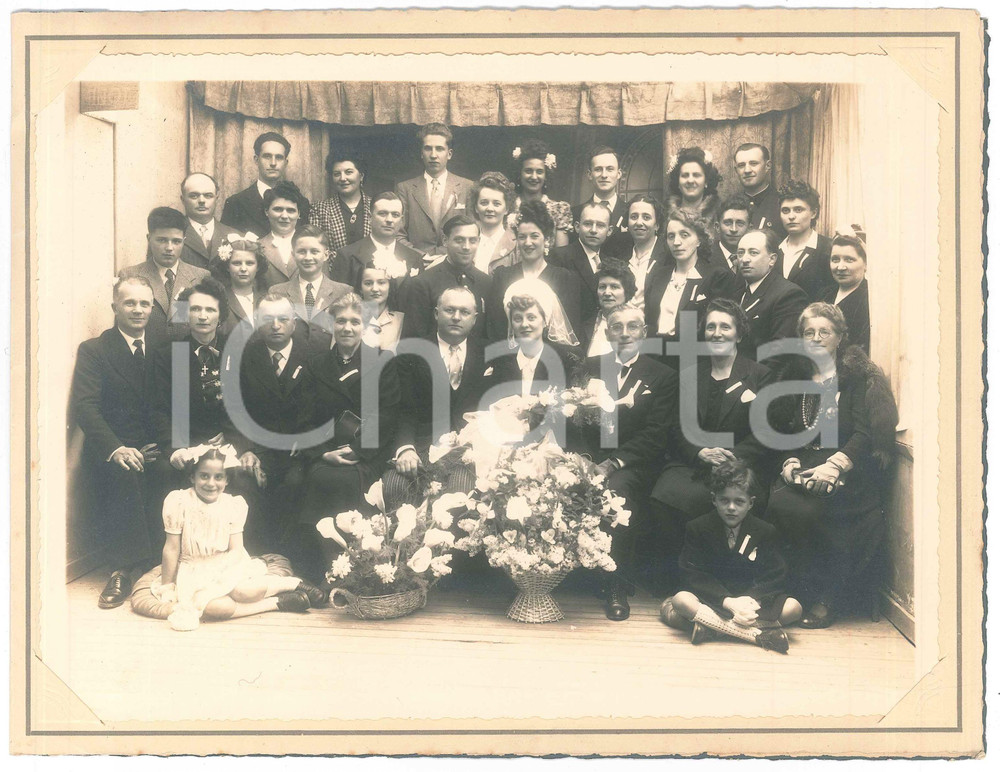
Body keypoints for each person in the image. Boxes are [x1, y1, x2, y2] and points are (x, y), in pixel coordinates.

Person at [763, 303, 898, 629]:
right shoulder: (798, 376)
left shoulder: (857, 377)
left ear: (840, 336)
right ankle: (796, 591)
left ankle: (829, 595)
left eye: (824, 332)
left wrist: (834, 467)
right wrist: (791, 461)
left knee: (815, 512)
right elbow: (791, 431)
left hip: (852, 465)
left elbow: (866, 434)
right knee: (780, 503)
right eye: (809, 333)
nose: (816, 338)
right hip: (808, 461)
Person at [647, 300, 772, 587]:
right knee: (664, 496)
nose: (717, 333)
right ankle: (680, 581)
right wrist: (700, 451)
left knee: (729, 498)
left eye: (725, 327)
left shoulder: (759, 376)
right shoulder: (690, 375)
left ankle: (722, 582)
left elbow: (764, 433)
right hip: (694, 461)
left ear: (739, 334)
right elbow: (677, 426)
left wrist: (732, 457)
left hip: (740, 464)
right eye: (711, 327)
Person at [70, 276, 167, 609]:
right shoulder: (95, 350)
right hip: (113, 449)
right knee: (124, 472)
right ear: (115, 307)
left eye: (144, 303)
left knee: (175, 470)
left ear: (153, 308)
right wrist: (117, 448)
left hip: (154, 447)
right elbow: (85, 407)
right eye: (130, 303)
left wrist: (165, 444)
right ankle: (123, 570)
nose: (138, 310)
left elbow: (173, 404)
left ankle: (162, 564)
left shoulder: (163, 347)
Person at [291, 293, 401, 582]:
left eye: (355, 321)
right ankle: (318, 569)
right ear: (331, 324)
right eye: (341, 321)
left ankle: (353, 570)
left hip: (366, 454)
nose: (347, 328)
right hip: (326, 452)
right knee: (319, 477)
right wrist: (323, 452)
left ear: (365, 325)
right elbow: (303, 418)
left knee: (344, 480)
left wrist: (358, 450)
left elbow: (387, 415)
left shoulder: (383, 362)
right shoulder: (316, 366)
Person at [577, 304, 678, 621]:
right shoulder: (589, 368)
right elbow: (572, 419)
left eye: (632, 327)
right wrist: (584, 459)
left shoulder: (662, 376)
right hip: (590, 457)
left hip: (634, 462)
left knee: (615, 491)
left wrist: (613, 463)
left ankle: (614, 584)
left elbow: (655, 434)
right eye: (617, 327)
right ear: (607, 333)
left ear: (644, 333)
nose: (624, 333)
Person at [155, 447, 324, 632]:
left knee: (245, 592)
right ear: (192, 477)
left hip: (226, 565)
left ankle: (293, 583)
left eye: (218, 477)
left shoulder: (233, 505)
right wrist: (167, 586)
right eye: (204, 476)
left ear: (226, 480)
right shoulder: (179, 502)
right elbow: (171, 549)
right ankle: (278, 603)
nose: (211, 483)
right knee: (216, 607)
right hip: (194, 569)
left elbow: (236, 550)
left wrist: (221, 577)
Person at [659, 461, 801, 653]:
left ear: (751, 503)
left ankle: (712, 629)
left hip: (751, 603)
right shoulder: (698, 528)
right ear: (713, 499)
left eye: (739, 501)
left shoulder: (765, 531)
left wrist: (751, 601)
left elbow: (775, 573)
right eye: (724, 500)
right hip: (714, 600)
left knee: (794, 608)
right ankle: (755, 635)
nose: (731, 507)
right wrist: (729, 602)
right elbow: (693, 573)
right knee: (680, 600)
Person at [227, 292, 316, 552]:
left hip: (297, 450)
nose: (275, 325)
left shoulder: (314, 356)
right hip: (258, 448)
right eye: (267, 319)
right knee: (244, 482)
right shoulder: (244, 357)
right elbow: (233, 408)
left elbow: (323, 408)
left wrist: (307, 438)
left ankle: (286, 555)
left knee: (295, 483)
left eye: (282, 319)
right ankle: (255, 554)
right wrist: (246, 450)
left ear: (294, 323)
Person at [383, 286, 487, 505]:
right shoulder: (410, 353)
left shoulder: (488, 354)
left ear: (475, 319)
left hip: (470, 450)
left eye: (464, 312)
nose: (457, 317)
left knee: (460, 492)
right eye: (449, 310)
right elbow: (403, 408)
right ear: (436, 313)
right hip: (421, 447)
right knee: (395, 487)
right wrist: (405, 448)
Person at [643, 208, 741, 348]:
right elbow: (649, 320)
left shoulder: (716, 277)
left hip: (691, 358)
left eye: (684, 235)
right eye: (671, 236)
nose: (676, 242)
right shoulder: (659, 275)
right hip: (654, 355)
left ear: (699, 240)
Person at [487, 201, 583, 343]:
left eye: (534, 236)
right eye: (522, 237)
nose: (527, 242)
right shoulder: (503, 277)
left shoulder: (565, 279)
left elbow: (570, 328)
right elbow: (495, 329)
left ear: (548, 239)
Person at [119, 207, 211, 341]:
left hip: (182, 354)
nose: (169, 248)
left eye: (176, 241)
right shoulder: (130, 275)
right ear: (149, 239)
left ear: (184, 241)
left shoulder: (201, 277)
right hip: (146, 355)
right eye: (162, 240)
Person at [484, 278, 583, 400]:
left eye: (531, 317)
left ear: (545, 321)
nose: (524, 324)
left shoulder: (568, 359)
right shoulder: (501, 362)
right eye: (518, 319)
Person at [401, 215, 492, 341]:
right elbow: (414, 339)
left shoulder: (487, 283)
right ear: (445, 240)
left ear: (478, 242)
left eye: (472, 240)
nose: (466, 247)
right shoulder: (423, 283)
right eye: (459, 240)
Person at [395, 122, 475, 258]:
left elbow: (474, 232)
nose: (433, 155)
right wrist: (420, 257)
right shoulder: (405, 188)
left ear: (449, 154)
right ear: (421, 153)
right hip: (418, 265)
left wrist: (446, 257)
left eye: (439, 149)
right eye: (428, 149)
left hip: (454, 263)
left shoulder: (467, 187)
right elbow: (398, 234)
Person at [734, 228, 809, 366]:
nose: (744, 259)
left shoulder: (788, 295)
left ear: (772, 259)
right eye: (740, 253)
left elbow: (779, 358)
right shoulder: (737, 292)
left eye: (753, 253)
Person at [329, 191, 422, 290]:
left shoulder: (414, 258)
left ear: (401, 221)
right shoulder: (347, 257)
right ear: (370, 217)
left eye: (395, 215)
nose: (389, 220)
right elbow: (340, 302)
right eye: (382, 214)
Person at [269, 224, 352, 330]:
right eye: (302, 252)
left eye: (314, 251)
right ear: (293, 255)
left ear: (326, 255)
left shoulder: (344, 292)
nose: (308, 258)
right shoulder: (277, 292)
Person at [549, 201, 616, 323]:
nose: (593, 230)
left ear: (609, 230)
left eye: (600, 225)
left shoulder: (609, 262)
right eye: (588, 224)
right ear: (577, 227)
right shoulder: (560, 257)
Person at [221, 131, 297, 238]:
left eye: (279, 157)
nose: (273, 163)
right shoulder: (235, 203)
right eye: (267, 156)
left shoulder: (301, 203)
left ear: (285, 163)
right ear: (256, 160)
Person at [507, 139, 572, 248]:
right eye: (528, 171)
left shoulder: (559, 210)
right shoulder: (508, 207)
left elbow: (561, 255)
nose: (534, 177)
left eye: (539, 172)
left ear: (546, 176)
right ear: (520, 173)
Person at [309, 149, 372, 259]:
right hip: (335, 274)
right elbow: (317, 250)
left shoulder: (375, 206)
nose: (343, 178)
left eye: (349, 172)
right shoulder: (319, 210)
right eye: (337, 174)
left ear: (361, 176)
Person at [777, 180, 835, 300]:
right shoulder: (775, 249)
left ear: (813, 213)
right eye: (785, 210)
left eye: (798, 210)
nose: (791, 216)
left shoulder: (828, 249)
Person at [571, 146, 631, 258]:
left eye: (610, 169)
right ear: (589, 174)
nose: (604, 175)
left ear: (619, 174)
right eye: (598, 169)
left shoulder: (631, 213)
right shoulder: (575, 213)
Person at [819, 225, 870, 354]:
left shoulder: (868, 298)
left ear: (866, 264)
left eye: (849, 260)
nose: (840, 267)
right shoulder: (825, 294)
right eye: (835, 259)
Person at [213, 233, 271, 338]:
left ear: (258, 267)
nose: (243, 269)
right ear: (227, 267)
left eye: (249, 263)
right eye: (237, 263)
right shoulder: (218, 300)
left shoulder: (267, 298)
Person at [179, 172, 239, 272]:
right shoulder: (172, 236)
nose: (201, 200)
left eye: (208, 196)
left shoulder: (235, 236)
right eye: (194, 196)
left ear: (217, 198)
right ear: (183, 199)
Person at [579, 263, 637, 358]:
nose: (607, 293)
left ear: (626, 291)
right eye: (602, 287)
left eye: (614, 287)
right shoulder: (586, 323)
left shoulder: (636, 325)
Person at [259, 181, 311, 286]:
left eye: (291, 210)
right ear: (266, 211)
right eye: (278, 209)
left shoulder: (313, 245)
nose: (284, 216)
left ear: (299, 214)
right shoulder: (257, 247)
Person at [624, 194, 669, 308]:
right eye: (634, 217)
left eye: (646, 217)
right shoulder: (620, 256)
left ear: (657, 225)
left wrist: (687, 327)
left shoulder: (669, 256)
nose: (639, 222)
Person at [666, 146, 722, 237]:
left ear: (706, 182)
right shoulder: (665, 214)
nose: (690, 180)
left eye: (696, 175)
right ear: (678, 182)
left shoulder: (719, 213)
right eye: (685, 175)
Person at [733, 142, 784, 240]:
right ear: (736, 170)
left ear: (768, 166)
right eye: (741, 165)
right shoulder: (729, 205)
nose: (747, 170)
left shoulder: (781, 203)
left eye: (753, 163)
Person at [469, 171, 517, 274]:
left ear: (506, 209)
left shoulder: (516, 244)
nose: (490, 208)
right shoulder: (466, 240)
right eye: (484, 203)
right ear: (476, 207)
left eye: (496, 204)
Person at [356, 263, 406, 353]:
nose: (375, 289)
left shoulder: (401, 320)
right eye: (368, 283)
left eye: (381, 283)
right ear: (360, 288)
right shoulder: (348, 317)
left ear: (390, 287)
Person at [710, 194, 752, 275]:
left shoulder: (755, 260)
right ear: (717, 227)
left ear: (749, 228)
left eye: (740, 223)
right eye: (728, 223)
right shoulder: (705, 259)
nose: (733, 229)